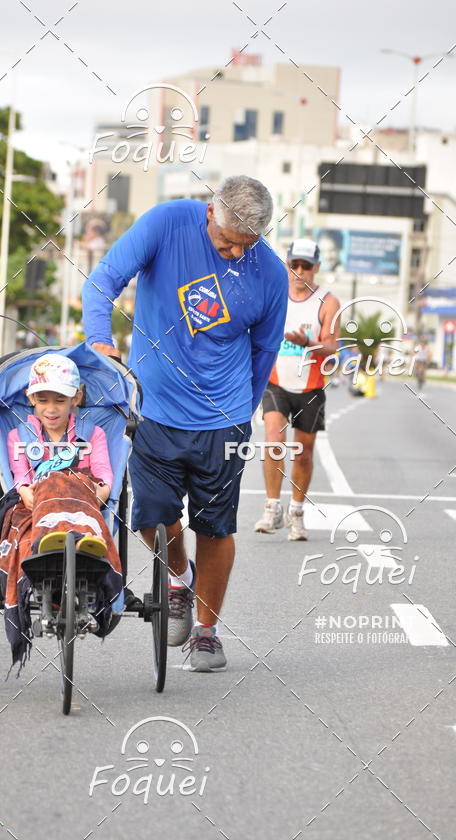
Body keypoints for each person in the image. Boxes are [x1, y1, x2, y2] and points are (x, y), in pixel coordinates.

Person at [82, 175, 288, 672]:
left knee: (215, 527)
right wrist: (98, 340)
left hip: (225, 420)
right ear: (210, 214)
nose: (237, 254)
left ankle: (207, 632)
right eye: (227, 243)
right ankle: (177, 576)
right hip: (155, 409)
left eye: (247, 245)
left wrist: (241, 410)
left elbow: (264, 353)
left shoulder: (272, 275)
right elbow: (103, 280)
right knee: (152, 518)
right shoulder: (167, 222)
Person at [0, 353, 123, 670]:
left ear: (76, 397)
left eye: (60, 399)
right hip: (35, 506)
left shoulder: (92, 433)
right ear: (31, 399)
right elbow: (21, 478)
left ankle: (82, 544)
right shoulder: (19, 436)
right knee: (50, 484)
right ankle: (49, 544)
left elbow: (105, 476)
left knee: (73, 482)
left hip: (82, 502)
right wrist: (27, 491)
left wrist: (101, 492)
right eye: (43, 400)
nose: (51, 408)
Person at [254, 238, 340, 541]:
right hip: (276, 382)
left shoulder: (328, 301)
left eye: (306, 265)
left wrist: (309, 344)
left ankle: (297, 512)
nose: (299, 271)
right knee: (273, 441)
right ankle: (271, 507)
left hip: (310, 387)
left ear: (316, 267)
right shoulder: (275, 294)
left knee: (303, 453)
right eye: (294, 264)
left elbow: (332, 345)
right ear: (287, 265)